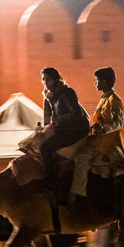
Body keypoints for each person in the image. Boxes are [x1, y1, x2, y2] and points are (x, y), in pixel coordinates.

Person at [39, 67, 90, 195]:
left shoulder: (67, 93)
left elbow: (76, 114)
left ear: (56, 79)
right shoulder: (50, 96)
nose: (45, 82)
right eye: (43, 80)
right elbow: (48, 118)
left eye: (48, 79)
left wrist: (59, 119)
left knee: (45, 148)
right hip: (64, 129)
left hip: (76, 129)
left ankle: (50, 182)